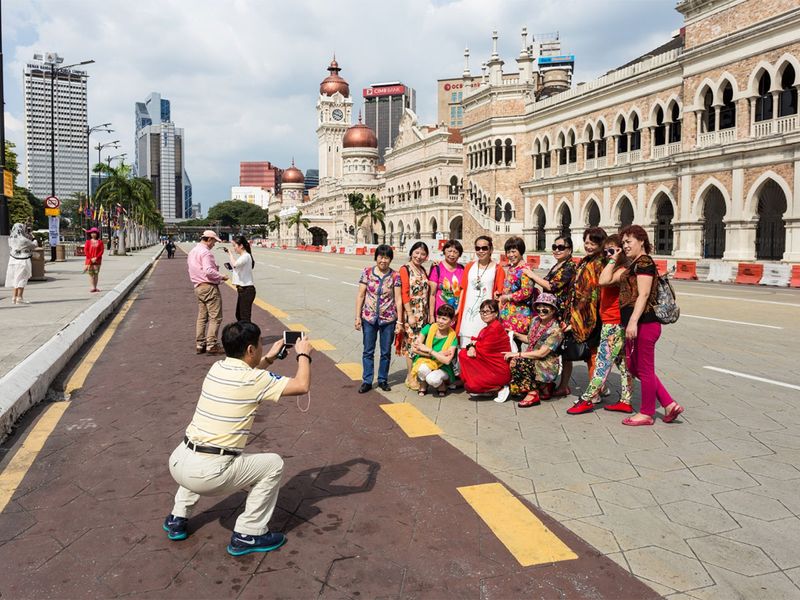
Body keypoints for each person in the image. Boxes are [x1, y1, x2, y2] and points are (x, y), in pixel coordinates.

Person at [163, 321, 313, 556]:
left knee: (202, 451)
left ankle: (177, 518)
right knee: (274, 464)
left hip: (179, 462)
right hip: (207, 475)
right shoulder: (254, 381)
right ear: (251, 350)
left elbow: (249, 378)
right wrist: (303, 354)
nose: (263, 350)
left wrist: (271, 357)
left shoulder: (217, 368)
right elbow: (301, 385)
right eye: (260, 346)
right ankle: (248, 533)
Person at [612, 225, 683, 426]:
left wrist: (633, 322)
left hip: (644, 323)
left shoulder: (644, 263)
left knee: (644, 368)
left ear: (641, 241)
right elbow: (606, 279)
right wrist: (614, 257)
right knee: (635, 367)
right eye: (623, 242)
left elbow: (643, 294)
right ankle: (669, 404)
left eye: (628, 241)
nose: (625, 245)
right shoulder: (633, 264)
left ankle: (646, 413)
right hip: (635, 324)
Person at [569, 235, 634, 414]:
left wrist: (614, 259)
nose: (607, 254)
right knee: (623, 365)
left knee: (602, 363)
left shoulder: (623, 269)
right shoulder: (614, 267)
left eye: (612, 250)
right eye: (605, 251)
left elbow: (602, 281)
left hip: (614, 323)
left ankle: (587, 398)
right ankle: (626, 400)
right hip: (609, 321)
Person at [560, 228, 607, 401]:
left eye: (593, 243)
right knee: (591, 353)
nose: (589, 246)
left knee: (593, 353)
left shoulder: (601, 262)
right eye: (587, 242)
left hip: (593, 314)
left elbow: (592, 292)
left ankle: (595, 392)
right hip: (580, 312)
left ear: (601, 244)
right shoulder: (585, 261)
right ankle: (599, 387)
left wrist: (579, 316)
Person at [355, 244, 402, 394]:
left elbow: (399, 299)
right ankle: (367, 380)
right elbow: (361, 295)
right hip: (368, 318)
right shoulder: (367, 273)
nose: (383, 260)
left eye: (387, 257)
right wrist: (357, 317)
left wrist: (399, 321)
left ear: (390, 259)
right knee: (368, 351)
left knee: (386, 352)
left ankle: (383, 379)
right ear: (376, 258)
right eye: (381, 257)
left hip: (388, 319)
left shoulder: (395, 276)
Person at [505, 293, 563, 407]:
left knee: (518, 361)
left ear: (553, 310)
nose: (541, 311)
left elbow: (542, 353)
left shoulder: (556, 330)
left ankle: (533, 393)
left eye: (545, 309)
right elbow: (529, 339)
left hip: (546, 364)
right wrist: (515, 334)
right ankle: (543, 387)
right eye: (538, 308)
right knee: (515, 359)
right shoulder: (536, 321)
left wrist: (519, 354)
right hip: (534, 358)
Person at [455, 236, 505, 348]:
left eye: (484, 248)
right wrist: (458, 309)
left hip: (486, 316)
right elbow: (463, 289)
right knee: (465, 349)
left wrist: (497, 317)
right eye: (478, 248)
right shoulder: (469, 267)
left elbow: (500, 295)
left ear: (491, 249)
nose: (481, 251)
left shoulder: (498, 269)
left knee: (482, 349)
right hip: (468, 315)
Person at [457, 299, 512, 402]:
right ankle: (491, 389)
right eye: (482, 312)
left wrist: (472, 346)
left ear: (495, 313)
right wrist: (472, 346)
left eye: (487, 311)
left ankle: (500, 388)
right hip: (490, 367)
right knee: (464, 355)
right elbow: (477, 343)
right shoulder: (487, 328)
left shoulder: (495, 328)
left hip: (498, 370)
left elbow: (484, 349)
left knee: (464, 356)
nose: (484, 314)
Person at [187, 230, 228, 355]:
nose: (214, 244)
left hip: (198, 286)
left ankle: (200, 343)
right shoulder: (206, 253)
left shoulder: (193, 251)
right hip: (209, 286)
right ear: (209, 239)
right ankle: (212, 345)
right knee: (215, 317)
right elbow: (208, 270)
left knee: (202, 317)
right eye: (214, 241)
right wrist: (221, 276)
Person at [398, 242, 431, 389]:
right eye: (416, 253)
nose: (419, 256)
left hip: (422, 313)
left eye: (422, 254)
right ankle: (410, 377)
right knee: (411, 346)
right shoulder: (405, 269)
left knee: (419, 344)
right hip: (411, 313)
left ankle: (415, 374)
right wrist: (410, 314)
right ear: (411, 253)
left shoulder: (423, 269)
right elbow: (404, 293)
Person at [411, 304, 458, 397]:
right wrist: (438, 354)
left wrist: (429, 350)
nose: (440, 321)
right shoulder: (429, 328)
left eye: (444, 319)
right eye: (439, 317)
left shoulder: (453, 337)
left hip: (443, 367)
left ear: (452, 321)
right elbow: (414, 348)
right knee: (422, 369)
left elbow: (447, 361)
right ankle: (424, 383)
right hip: (425, 361)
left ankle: (441, 385)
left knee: (432, 379)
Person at [498, 236, 536, 348]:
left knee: (514, 347)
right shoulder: (513, 268)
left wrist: (507, 297)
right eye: (508, 252)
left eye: (514, 251)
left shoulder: (525, 269)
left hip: (519, 316)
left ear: (521, 251)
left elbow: (526, 292)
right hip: (508, 314)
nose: (510, 255)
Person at [427, 239, 465, 322]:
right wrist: (431, 316)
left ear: (459, 254)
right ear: (444, 252)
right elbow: (432, 294)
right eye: (449, 251)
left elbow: (463, 292)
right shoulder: (437, 268)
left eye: (455, 252)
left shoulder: (462, 269)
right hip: (440, 315)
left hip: (456, 314)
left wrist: (458, 311)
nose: (452, 254)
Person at [226, 235, 256, 323]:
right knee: (239, 315)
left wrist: (230, 254)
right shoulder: (243, 256)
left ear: (241, 246)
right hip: (242, 290)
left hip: (247, 290)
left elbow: (235, 264)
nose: (234, 248)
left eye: (235, 246)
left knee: (244, 316)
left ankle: (250, 335)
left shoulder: (246, 256)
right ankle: (248, 334)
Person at [5, 223, 36, 305]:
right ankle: (19, 298)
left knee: (15, 279)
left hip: (12, 260)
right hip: (23, 261)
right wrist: (33, 237)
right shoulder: (24, 239)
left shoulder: (10, 239)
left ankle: (14, 297)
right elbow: (34, 245)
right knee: (22, 279)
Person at [83, 227, 105, 293]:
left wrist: (96, 258)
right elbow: (86, 251)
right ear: (90, 234)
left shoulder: (100, 242)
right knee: (91, 274)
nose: (93, 234)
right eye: (92, 233)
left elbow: (101, 251)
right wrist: (91, 258)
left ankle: (95, 287)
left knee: (96, 274)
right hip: (89, 260)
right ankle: (92, 287)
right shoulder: (88, 242)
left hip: (97, 260)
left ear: (97, 234)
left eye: (95, 233)